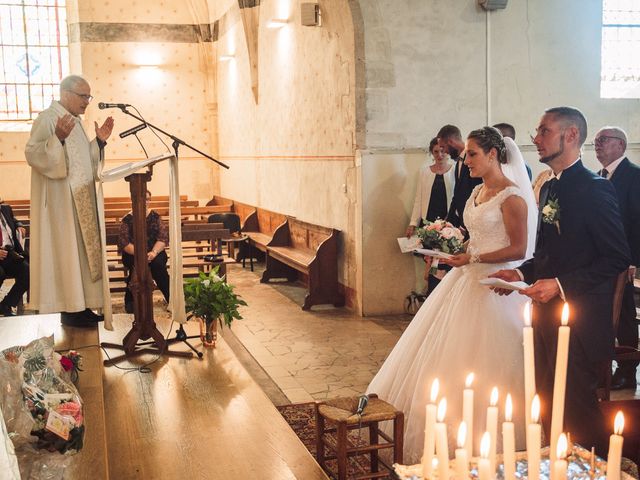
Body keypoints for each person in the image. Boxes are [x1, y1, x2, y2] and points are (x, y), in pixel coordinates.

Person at [368, 127, 537, 461]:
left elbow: (518, 248)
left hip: (496, 287)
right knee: (441, 352)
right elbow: (475, 236)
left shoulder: (513, 196)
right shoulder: (476, 193)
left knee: (487, 358)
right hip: (464, 278)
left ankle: (487, 442)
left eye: (472, 154)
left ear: (493, 154)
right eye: (466, 155)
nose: (466, 160)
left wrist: (472, 257)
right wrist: (448, 248)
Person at [491, 107, 630, 456]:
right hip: (546, 314)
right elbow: (549, 254)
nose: (535, 138)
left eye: (543, 131)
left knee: (577, 408)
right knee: (547, 399)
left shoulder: (594, 189)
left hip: (580, 319)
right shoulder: (551, 187)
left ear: (570, 136)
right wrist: (521, 273)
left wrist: (560, 285)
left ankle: (597, 465)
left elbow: (616, 257)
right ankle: (558, 462)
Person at [25, 75, 114, 327]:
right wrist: (58, 139)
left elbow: (84, 161)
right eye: (83, 96)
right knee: (68, 254)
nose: (87, 102)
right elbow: (33, 153)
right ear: (66, 94)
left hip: (80, 201)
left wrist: (98, 142)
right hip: (61, 204)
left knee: (82, 256)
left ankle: (82, 305)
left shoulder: (75, 121)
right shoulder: (48, 118)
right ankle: (70, 309)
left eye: (89, 96)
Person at [594, 126, 640, 390]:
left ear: (620, 145)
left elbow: (637, 220)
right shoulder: (599, 175)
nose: (597, 145)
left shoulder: (634, 176)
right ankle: (604, 364)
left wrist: (633, 260)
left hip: (625, 261)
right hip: (602, 261)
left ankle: (627, 369)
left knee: (623, 314)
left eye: (603, 140)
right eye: (596, 141)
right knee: (605, 312)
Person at [405, 138, 455, 293]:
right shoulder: (425, 172)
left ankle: (441, 291)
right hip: (429, 219)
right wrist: (413, 222)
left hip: (448, 221)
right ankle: (430, 291)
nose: (439, 155)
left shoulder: (454, 170)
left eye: (442, 150)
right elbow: (419, 199)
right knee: (429, 258)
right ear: (431, 153)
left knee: (444, 259)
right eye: (436, 152)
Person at [118, 191, 170, 313]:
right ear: (134, 201)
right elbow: (124, 243)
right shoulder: (127, 219)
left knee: (158, 266)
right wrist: (141, 254)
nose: (145, 202)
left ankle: (172, 299)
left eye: (147, 199)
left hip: (154, 252)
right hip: (133, 253)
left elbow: (163, 238)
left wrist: (153, 252)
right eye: (142, 199)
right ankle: (131, 303)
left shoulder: (155, 217)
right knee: (137, 266)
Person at [438, 125, 482, 233]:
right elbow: (457, 195)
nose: (443, 152)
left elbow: (476, 193)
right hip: (461, 222)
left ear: (451, 142)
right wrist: (447, 222)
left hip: (472, 223)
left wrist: (465, 225)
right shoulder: (458, 163)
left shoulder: (473, 161)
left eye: (443, 147)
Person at [0, 202, 29, 316]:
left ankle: (6, 304)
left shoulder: (6, 209)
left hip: (10, 253)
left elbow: (13, 220)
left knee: (27, 271)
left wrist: (19, 225)